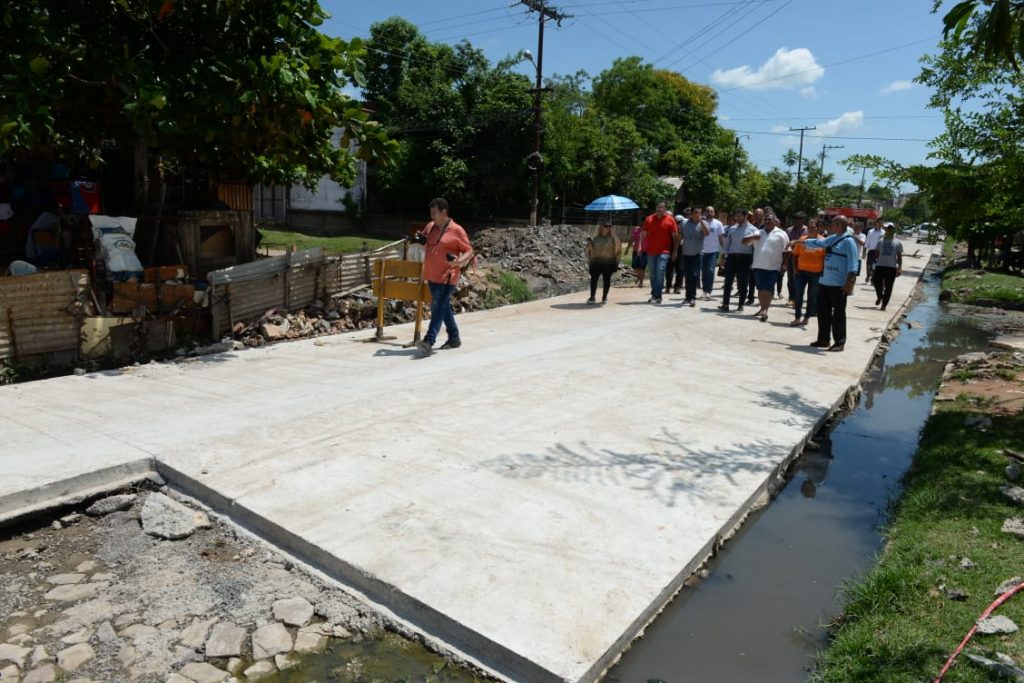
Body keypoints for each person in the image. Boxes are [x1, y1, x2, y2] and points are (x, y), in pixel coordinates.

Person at [413, 198, 474, 357]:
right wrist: (418, 239)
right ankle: (454, 338)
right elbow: (424, 242)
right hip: (432, 275)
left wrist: (459, 261)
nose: (432, 216)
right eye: (431, 212)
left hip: (448, 276)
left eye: (435, 213)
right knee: (443, 306)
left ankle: (429, 341)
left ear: (444, 212)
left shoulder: (457, 230)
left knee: (437, 307)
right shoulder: (430, 227)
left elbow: (469, 250)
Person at [803, 215, 859, 352]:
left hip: (838, 285)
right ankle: (823, 339)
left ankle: (839, 342)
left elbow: (853, 265)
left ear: (839, 225)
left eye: (832, 224)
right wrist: (799, 242)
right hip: (824, 282)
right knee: (823, 312)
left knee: (838, 314)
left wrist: (849, 284)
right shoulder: (832, 238)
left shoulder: (849, 241)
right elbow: (818, 243)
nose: (830, 226)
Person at [744, 215, 789, 322]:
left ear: (775, 221)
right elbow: (744, 242)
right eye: (766, 220)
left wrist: (785, 264)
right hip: (758, 265)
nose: (767, 221)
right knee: (760, 289)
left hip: (773, 266)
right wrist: (753, 238)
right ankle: (762, 308)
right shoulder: (758, 232)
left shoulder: (781, 234)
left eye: (770, 220)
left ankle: (765, 310)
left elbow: (787, 250)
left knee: (768, 289)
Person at [641, 201, 679, 304]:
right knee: (653, 274)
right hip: (651, 251)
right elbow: (643, 234)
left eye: (662, 207)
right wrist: (640, 246)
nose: (660, 209)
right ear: (656, 208)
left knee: (660, 272)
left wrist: (675, 251)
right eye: (658, 207)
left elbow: (675, 236)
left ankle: (658, 295)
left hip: (664, 251)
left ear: (665, 209)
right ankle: (654, 294)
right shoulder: (649, 219)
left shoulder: (670, 220)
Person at [718, 209, 757, 312]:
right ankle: (725, 304)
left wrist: (754, 261)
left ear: (746, 216)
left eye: (740, 216)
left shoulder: (753, 230)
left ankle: (741, 304)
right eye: (737, 216)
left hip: (745, 258)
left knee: (743, 282)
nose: (737, 218)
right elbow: (727, 244)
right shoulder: (732, 229)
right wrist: (722, 257)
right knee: (728, 281)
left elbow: (755, 247)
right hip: (732, 257)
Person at [790, 218, 826, 327]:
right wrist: (795, 269)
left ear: (818, 229)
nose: (811, 230)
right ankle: (797, 317)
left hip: (816, 273)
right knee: (798, 295)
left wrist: (823, 272)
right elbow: (795, 255)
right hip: (801, 272)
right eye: (809, 228)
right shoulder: (802, 239)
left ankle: (806, 317)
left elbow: (825, 258)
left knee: (812, 296)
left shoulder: (823, 241)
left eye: (813, 227)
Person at [679, 206, 708, 306]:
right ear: (691, 214)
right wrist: (675, 250)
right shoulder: (684, 223)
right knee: (687, 275)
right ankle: (688, 297)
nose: (698, 214)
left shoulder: (703, 223)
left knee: (694, 275)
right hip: (686, 253)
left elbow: (706, 233)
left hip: (697, 253)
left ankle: (692, 297)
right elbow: (680, 236)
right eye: (696, 212)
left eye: (699, 212)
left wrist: (701, 222)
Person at [872, 222, 903, 310]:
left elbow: (899, 256)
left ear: (893, 230)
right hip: (880, 265)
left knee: (889, 287)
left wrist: (899, 268)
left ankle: (884, 305)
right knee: (876, 282)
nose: (889, 230)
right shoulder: (880, 241)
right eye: (887, 228)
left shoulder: (897, 242)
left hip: (891, 267)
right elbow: (876, 253)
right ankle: (880, 296)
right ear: (885, 230)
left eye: (890, 228)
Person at [586, 223, 620, 304]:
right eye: (606, 226)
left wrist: (614, 235)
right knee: (593, 279)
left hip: (608, 262)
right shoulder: (596, 238)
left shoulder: (612, 238)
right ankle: (592, 297)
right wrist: (589, 244)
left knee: (606, 280)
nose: (608, 228)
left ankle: (604, 297)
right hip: (596, 262)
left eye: (609, 226)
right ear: (601, 227)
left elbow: (618, 247)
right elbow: (591, 250)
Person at [700, 205, 725, 300]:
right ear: (704, 212)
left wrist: (724, 251)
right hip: (702, 251)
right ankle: (704, 290)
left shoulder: (718, 223)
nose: (709, 213)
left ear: (714, 213)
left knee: (710, 271)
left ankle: (708, 291)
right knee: (704, 272)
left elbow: (721, 239)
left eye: (711, 211)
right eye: (707, 211)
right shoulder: (701, 222)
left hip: (713, 251)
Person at [784, 212, 808, 303]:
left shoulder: (807, 230)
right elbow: (786, 244)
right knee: (791, 278)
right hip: (791, 257)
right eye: (795, 219)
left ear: (803, 220)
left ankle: (798, 297)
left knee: (801, 279)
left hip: (803, 257)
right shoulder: (789, 230)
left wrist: (796, 242)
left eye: (799, 219)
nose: (797, 221)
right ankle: (792, 297)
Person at [666, 213, 685, 295]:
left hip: (678, 249)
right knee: (669, 269)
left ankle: (677, 286)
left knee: (680, 269)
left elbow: (679, 238)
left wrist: (675, 251)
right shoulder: (666, 226)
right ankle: (668, 286)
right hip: (668, 249)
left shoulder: (677, 227)